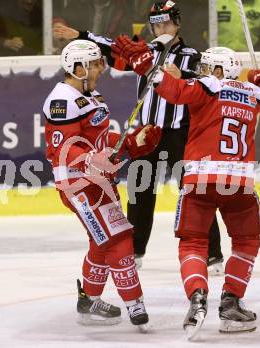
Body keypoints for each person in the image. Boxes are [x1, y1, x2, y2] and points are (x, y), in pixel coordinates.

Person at [112, 41, 260, 337]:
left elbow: (173, 90)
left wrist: (147, 66)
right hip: (239, 182)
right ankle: (231, 302)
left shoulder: (208, 87)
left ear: (218, 70)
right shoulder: (252, 94)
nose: (200, 72)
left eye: (205, 67)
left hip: (200, 178)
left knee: (192, 242)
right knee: (246, 240)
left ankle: (197, 297)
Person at [53, 0, 224, 275]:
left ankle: (213, 253)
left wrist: (186, 75)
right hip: (148, 133)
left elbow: (212, 84)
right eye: (156, 24)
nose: (161, 28)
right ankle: (135, 250)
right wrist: (81, 36)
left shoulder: (193, 55)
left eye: (166, 22)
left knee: (194, 195)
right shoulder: (144, 52)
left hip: (181, 133)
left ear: (177, 23)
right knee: (140, 192)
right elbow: (111, 47)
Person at [42, 40, 161, 330]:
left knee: (102, 241)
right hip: (78, 185)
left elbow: (100, 140)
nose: (101, 68)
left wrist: (132, 143)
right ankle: (135, 304)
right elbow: (64, 151)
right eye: (95, 63)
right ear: (79, 68)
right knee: (118, 239)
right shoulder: (62, 100)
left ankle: (89, 302)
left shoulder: (90, 94)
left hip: (98, 181)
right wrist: (93, 160)